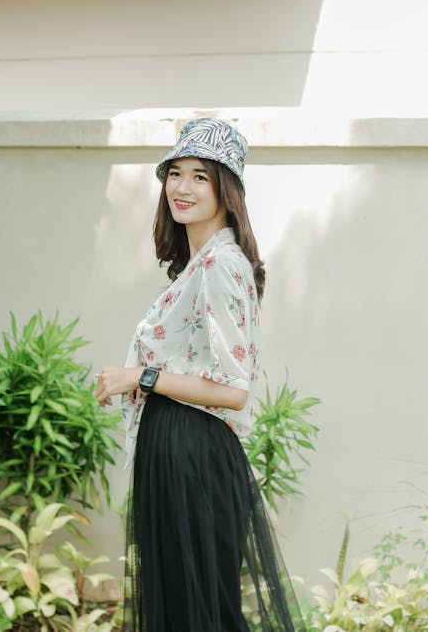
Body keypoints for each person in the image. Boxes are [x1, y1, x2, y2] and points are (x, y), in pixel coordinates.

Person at [95, 117, 301, 632]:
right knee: (187, 611)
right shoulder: (204, 262)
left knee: (200, 613)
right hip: (180, 453)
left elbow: (232, 390)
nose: (182, 188)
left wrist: (139, 376)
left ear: (226, 191)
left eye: (201, 177)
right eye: (175, 173)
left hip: (194, 457)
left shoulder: (219, 266)